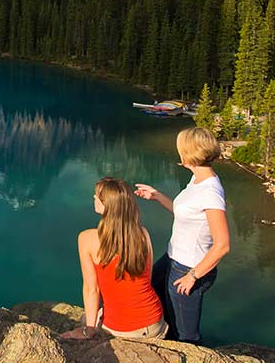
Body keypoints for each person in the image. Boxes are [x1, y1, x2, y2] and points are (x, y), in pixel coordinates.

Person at [135, 127, 230, 344]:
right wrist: (157, 196)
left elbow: (223, 245)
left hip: (189, 267)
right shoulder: (198, 180)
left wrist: (193, 276)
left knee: (186, 333)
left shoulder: (210, 192)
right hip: (172, 258)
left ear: (188, 153)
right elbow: (188, 213)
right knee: (153, 299)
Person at [61, 177, 167, 340]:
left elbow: (91, 289)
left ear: (107, 205)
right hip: (155, 322)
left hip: (123, 329)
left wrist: (88, 330)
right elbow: (148, 277)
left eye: (97, 196)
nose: (94, 197)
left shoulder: (87, 239)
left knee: (85, 319)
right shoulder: (143, 234)